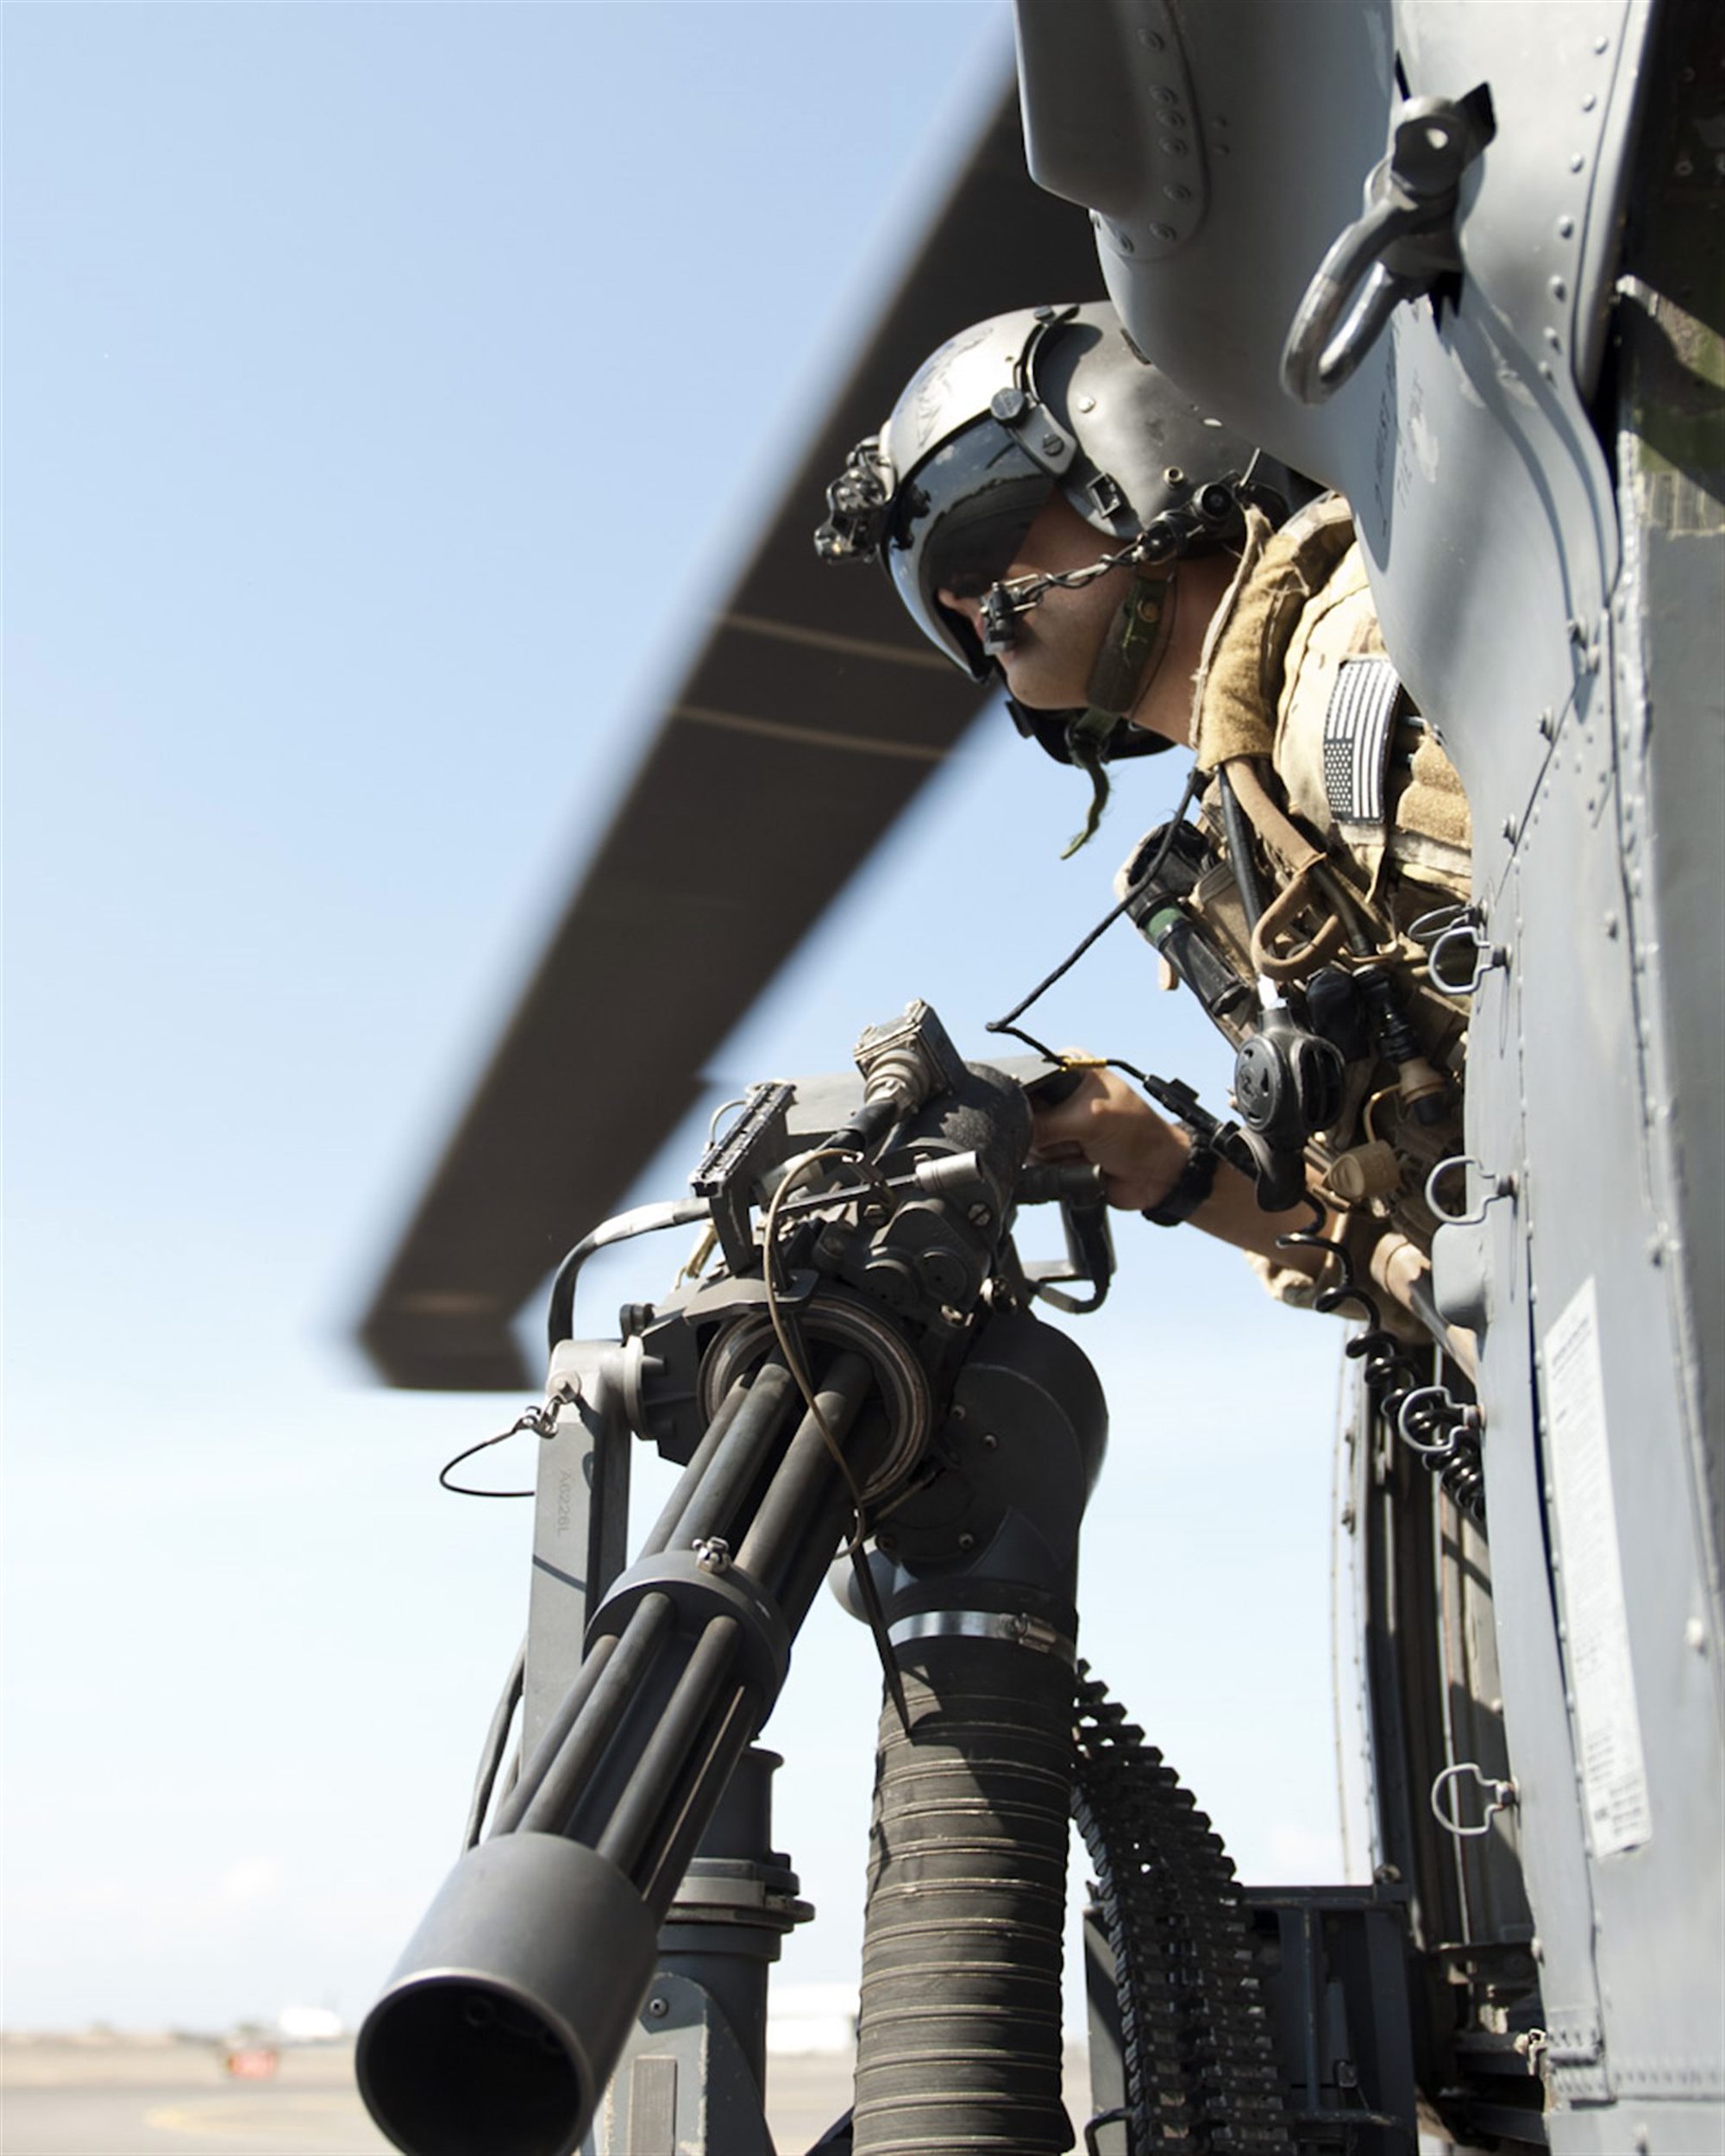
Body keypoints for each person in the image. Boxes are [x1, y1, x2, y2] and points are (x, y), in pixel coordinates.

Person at [815, 303, 1473, 1340]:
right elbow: (1436, 1254)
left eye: (977, 511)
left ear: (1135, 450)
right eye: (933, 592)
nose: (956, 600)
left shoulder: (1359, 671)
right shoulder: (1239, 852)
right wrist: (1163, 1164)